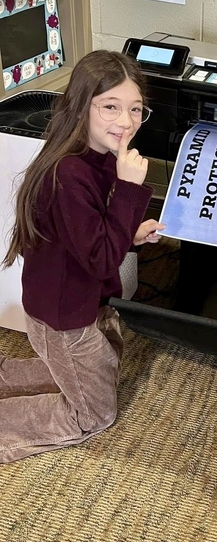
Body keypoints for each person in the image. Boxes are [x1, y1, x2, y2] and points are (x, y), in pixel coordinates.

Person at [1, 50, 165, 464]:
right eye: (110, 107)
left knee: (103, 362)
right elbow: (99, 259)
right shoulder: (70, 175)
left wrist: (129, 233)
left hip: (76, 305)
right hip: (65, 319)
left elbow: (91, 235)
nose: (125, 122)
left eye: (135, 110)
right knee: (94, 414)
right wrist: (129, 190)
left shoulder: (95, 160)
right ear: (81, 108)